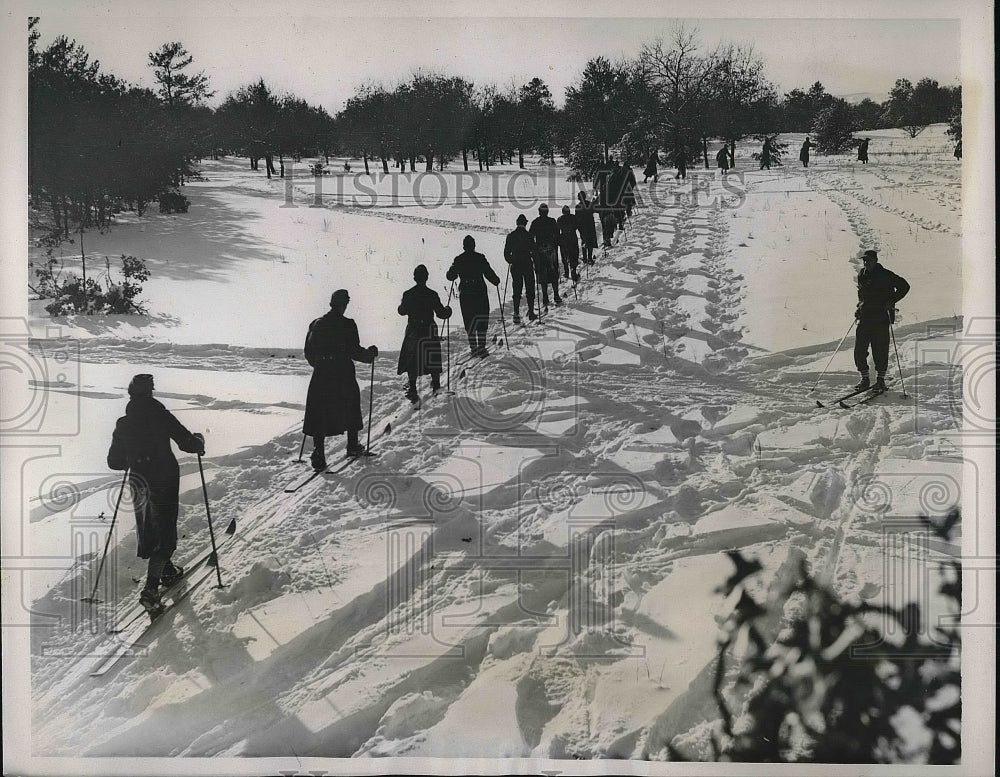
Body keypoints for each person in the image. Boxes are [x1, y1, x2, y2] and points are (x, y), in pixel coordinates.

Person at [107, 374, 205, 615]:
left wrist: (132, 455)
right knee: (165, 532)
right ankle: (151, 590)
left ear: (131, 394)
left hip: (139, 482)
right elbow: (187, 443)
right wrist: (199, 441)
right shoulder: (160, 415)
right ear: (150, 392)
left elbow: (114, 462)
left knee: (150, 528)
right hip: (163, 479)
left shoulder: (123, 423)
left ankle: (168, 571)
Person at [303, 289, 378, 469]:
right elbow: (354, 351)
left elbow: (309, 352)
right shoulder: (348, 324)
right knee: (350, 404)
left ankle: (319, 453)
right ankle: (352, 445)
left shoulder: (316, 324)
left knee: (319, 410)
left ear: (331, 303)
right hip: (343, 372)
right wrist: (370, 355)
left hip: (322, 373)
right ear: (344, 305)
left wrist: (321, 365)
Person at [854, 249, 910, 392]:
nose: (866, 263)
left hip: (881, 317)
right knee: (860, 349)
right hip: (865, 316)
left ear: (876, 261)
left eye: (869, 260)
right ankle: (865, 379)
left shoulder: (886, 275)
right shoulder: (862, 274)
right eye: (864, 260)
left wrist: (892, 301)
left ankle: (880, 381)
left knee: (880, 349)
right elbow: (862, 294)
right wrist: (859, 307)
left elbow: (905, 286)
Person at [397, 265, 451, 402]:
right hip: (429, 328)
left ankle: (413, 388)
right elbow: (441, 314)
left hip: (414, 329)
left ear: (414, 278)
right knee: (432, 356)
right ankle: (436, 385)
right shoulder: (432, 294)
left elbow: (402, 311)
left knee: (412, 358)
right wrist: (448, 311)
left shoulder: (408, 294)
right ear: (426, 277)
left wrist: (400, 305)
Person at [446, 235, 501, 357]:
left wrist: (453, 268)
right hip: (479, 292)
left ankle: (473, 347)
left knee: (469, 319)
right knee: (481, 318)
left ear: (464, 246)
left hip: (466, 293)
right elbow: (488, 272)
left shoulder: (459, 259)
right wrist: (496, 280)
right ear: (474, 246)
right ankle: (481, 346)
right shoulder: (480, 258)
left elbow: (450, 276)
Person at [503, 214, 537, 324]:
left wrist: (511, 261)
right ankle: (531, 311)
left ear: (517, 223)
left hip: (516, 266)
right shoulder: (529, 236)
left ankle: (516, 313)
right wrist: (536, 263)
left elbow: (506, 253)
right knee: (530, 288)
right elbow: (534, 251)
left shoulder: (511, 236)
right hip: (527, 264)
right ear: (525, 224)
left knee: (517, 289)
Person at [529, 203, 562, 309]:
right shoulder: (552, 221)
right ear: (547, 211)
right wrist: (555, 246)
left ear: (539, 211)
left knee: (542, 273)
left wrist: (534, 249)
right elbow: (557, 235)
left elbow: (531, 237)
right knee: (553, 272)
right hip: (551, 251)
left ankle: (545, 297)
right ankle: (556, 295)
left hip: (540, 252)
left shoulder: (535, 222)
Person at [557, 205, 581, 283]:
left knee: (564, 255)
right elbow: (578, 226)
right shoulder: (574, 218)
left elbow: (557, 229)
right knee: (574, 255)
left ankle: (566, 272)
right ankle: (573, 270)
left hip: (564, 239)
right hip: (573, 238)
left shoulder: (560, 219)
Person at [575, 191, 598, 265]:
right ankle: (590, 258)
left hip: (582, 227)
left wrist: (578, 227)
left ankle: (585, 258)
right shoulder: (589, 203)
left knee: (584, 241)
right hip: (590, 225)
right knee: (590, 242)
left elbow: (576, 218)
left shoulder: (578, 206)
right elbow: (595, 210)